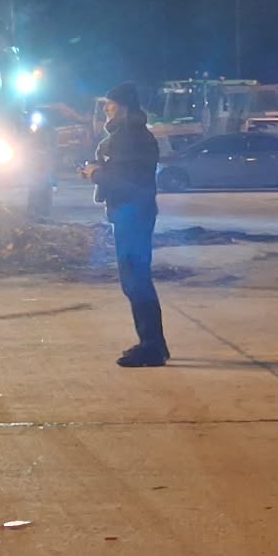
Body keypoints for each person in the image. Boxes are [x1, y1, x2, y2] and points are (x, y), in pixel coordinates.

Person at [81, 82, 168, 368]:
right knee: (136, 280)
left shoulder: (128, 138)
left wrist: (95, 174)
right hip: (134, 213)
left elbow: (123, 182)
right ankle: (154, 344)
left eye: (111, 104)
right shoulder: (131, 135)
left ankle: (151, 348)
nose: (106, 108)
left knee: (135, 281)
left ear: (124, 107)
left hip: (132, 214)